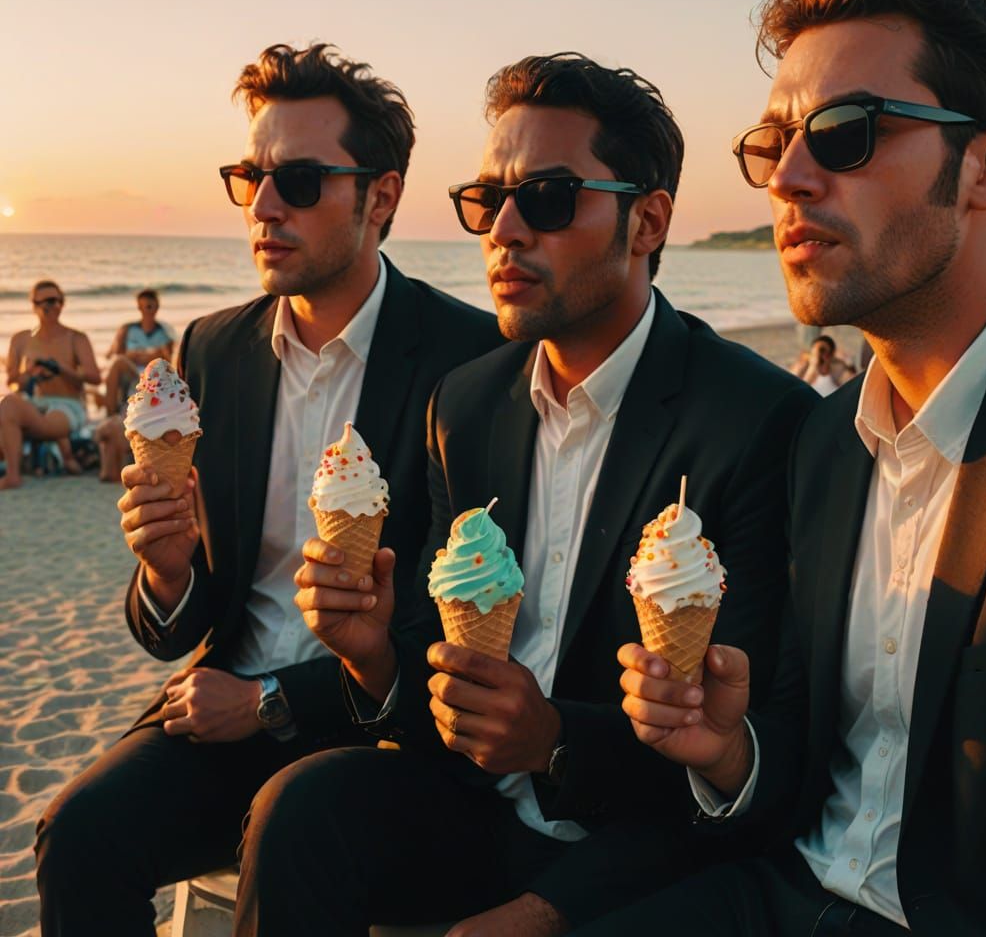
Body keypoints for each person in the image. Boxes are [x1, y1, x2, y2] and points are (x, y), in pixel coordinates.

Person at [232, 52, 818, 937]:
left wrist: (552, 754)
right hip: (473, 808)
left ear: (647, 220)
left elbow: (738, 753)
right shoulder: (466, 405)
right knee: (301, 807)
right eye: (487, 201)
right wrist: (373, 656)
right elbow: (431, 673)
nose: (503, 230)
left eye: (545, 198)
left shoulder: (754, 421)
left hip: (640, 838)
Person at [596, 0, 986, 937]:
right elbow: (815, 754)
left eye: (843, 132)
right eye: (772, 143)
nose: (786, 178)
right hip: (781, 894)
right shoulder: (824, 442)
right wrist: (728, 747)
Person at [34, 43, 501, 936]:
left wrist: (278, 701)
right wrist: (168, 573)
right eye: (249, 176)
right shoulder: (213, 349)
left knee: (289, 821)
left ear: (383, 196)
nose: (263, 204)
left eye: (298, 178)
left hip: (381, 727)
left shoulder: (468, 363)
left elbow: (467, 607)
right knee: (77, 829)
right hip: (222, 710)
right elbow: (180, 614)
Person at [1, 280, 100, 488]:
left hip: (67, 404)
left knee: (41, 422)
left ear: (62, 303)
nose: (51, 306)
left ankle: (14, 473)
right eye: (45, 302)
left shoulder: (76, 338)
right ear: (34, 305)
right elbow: (11, 381)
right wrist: (31, 373)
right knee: (8, 403)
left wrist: (60, 370)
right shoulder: (21, 339)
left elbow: (94, 377)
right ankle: (53, 451)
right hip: (35, 402)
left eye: (56, 301)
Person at [103, 288, 176, 415]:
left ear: (157, 307)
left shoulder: (164, 332)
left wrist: (152, 356)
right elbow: (112, 355)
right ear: (139, 307)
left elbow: (170, 361)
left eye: (150, 306)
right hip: (132, 371)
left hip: (154, 376)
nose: (147, 310)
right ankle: (110, 414)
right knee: (118, 362)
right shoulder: (127, 329)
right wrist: (131, 355)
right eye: (144, 307)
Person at [789, 333, 855, 395]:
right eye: (815, 352)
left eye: (822, 350)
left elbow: (854, 386)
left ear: (831, 355)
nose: (819, 355)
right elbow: (792, 389)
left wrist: (847, 360)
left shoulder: (837, 370)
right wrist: (813, 366)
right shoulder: (803, 368)